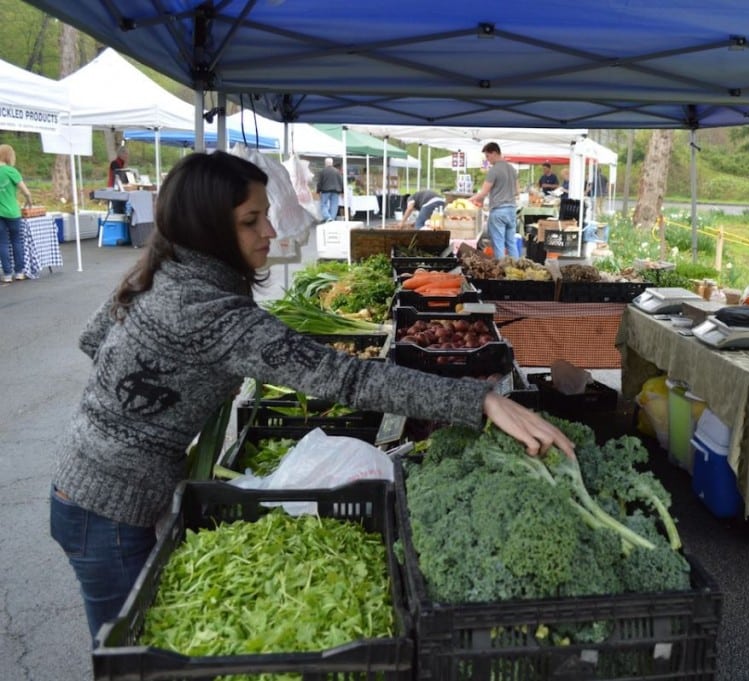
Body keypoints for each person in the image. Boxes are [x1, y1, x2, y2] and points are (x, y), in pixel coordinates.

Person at [49, 150, 575, 646]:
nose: (271, 230)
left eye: (265, 215)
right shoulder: (211, 311)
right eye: (251, 221)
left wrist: (169, 392)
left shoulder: (163, 272)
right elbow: (347, 379)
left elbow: (95, 341)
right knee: (129, 653)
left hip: (83, 484)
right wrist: (480, 402)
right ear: (209, 230)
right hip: (111, 507)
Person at [470, 142, 519, 259]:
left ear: (494, 153)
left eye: (487, 156)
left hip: (498, 211)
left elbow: (483, 192)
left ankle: (501, 272)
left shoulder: (493, 170)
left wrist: (468, 200)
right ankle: (517, 271)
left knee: (499, 245)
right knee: (511, 243)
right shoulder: (512, 169)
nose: (487, 159)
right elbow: (517, 191)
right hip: (512, 210)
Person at [0, 144, 32, 283]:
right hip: (12, 212)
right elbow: (26, 191)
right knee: (16, 241)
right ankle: (19, 272)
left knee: (2, 243)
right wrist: (29, 201)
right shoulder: (11, 171)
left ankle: (7, 274)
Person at [315, 157, 345, 222]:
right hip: (336, 191)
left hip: (325, 190)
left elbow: (319, 182)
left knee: (323, 204)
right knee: (334, 205)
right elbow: (341, 181)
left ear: (325, 163)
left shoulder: (322, 171)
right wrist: (343, 192)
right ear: (332, 163)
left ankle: (328, 217)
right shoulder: (337, 171)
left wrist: (318, 191)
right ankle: (332, 218)